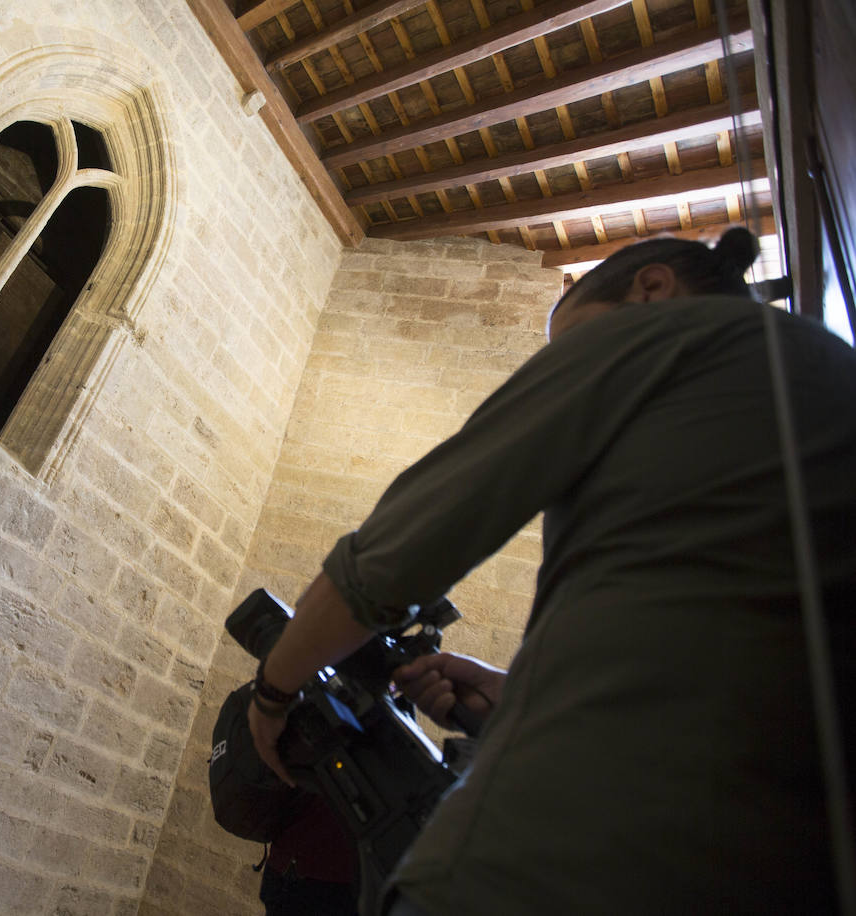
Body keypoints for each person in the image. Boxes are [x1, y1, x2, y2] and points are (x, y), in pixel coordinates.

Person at [247, 227, 856, 915]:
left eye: (568, 348)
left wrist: (272, 694)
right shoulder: (823, 371)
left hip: (552, 865)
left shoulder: (667, 335)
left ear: (650, 288)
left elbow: (389, 562)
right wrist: (517, 698)